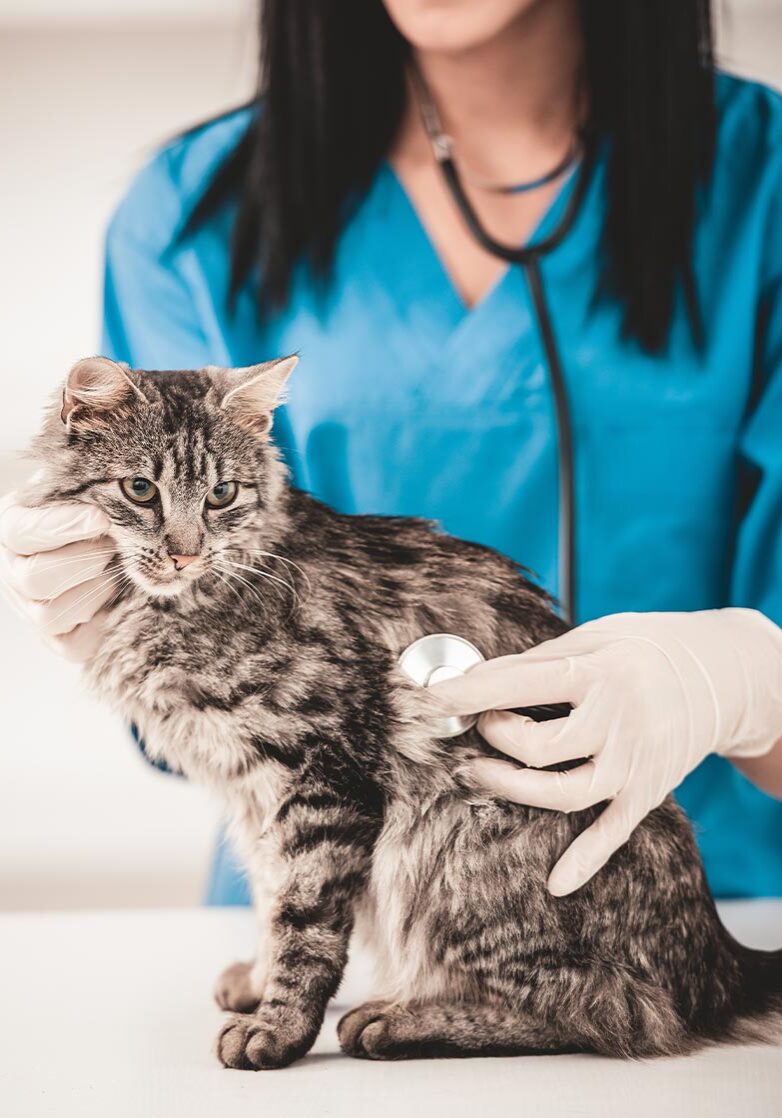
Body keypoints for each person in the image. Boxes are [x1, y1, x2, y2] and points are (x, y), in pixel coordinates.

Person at [2, 0, 782, 905]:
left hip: (699, 910)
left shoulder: (761, 184)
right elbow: (220, 729)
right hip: (341, 916)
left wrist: (746, 684)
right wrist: (112, 614)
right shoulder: (190, 211)